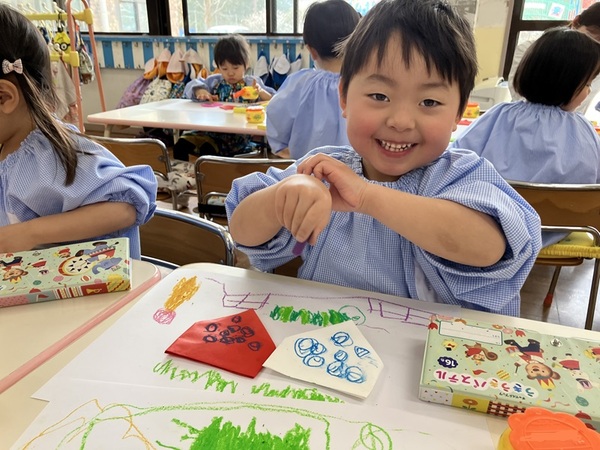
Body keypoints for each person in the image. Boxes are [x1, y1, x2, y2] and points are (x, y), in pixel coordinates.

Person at [226, 0, 542, 317]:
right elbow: (241, 231)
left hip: (428, 343)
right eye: (380, 96)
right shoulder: (322, 170)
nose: (400, 121)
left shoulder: (461, 175)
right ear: (344, 98)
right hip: (325, 335)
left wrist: (366, 196)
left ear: (458, 113)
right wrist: (283, 196)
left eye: (429, 102)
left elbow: (488, 247)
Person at [0, 5, 157, 259]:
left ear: (5, 97)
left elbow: (126, 205)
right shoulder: (7, 147)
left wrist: (30, 233)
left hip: (91, 282)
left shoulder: (50, 153)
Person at [450, 26, 600, 246]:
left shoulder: (499, 115)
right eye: (587, 84)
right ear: (567, 82)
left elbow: (455, 161)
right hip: (559, 228)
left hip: (491, 226)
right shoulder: (583, 130)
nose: (588, 91)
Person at [266, 0, 360, 159]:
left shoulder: (300, 83)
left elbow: (276, 114)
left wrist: (281, 147)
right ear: (357, 43)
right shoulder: (365, 84)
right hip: (354, 172)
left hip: (306, 169)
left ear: (311, 50)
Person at [174, 34, 276, 161]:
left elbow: (274, 100)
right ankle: (182, 172)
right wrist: (201, 91)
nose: (230, 73)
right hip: (210, 130)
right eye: (224, 68)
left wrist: (260, 91)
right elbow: (192, 86)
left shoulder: (252, 83)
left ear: (246, 64)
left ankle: (210, 173)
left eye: (235, 68)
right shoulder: (214, 81)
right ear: (218, 67)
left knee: (207, 149)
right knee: (181, 144)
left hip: (238, 136)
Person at [508, 2, 600, 113]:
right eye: (593, 34)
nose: (595, 45)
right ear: (576, 22)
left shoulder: (596, 65)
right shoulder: (531, 49)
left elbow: (581, 107)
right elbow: (521, 94)